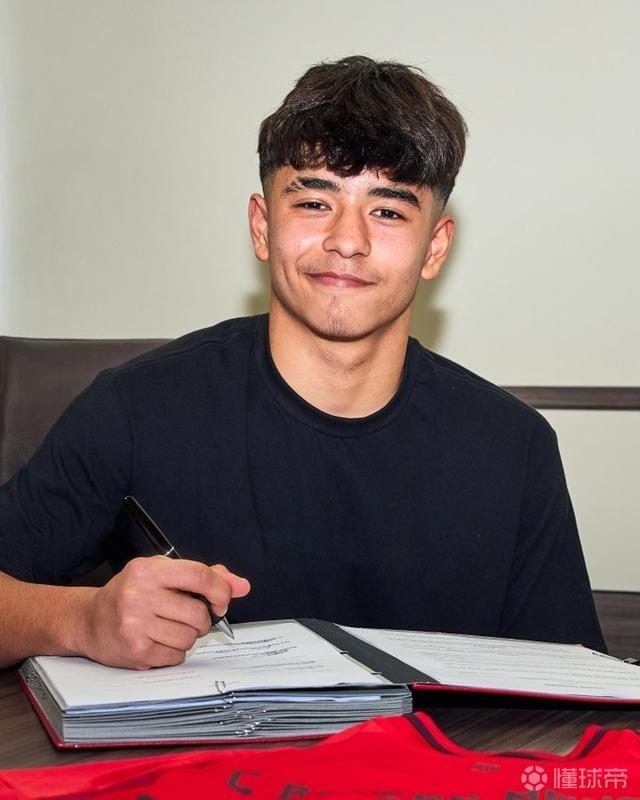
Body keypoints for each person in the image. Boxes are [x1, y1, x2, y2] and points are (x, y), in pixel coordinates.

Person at [0, 56, 605, 670]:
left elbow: (571, 686)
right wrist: (81, 619)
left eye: (388, 211)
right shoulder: (135, 408)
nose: (347, 240)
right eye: (315, 202)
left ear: (435, 247)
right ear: (263, 227)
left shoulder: (513, 446)